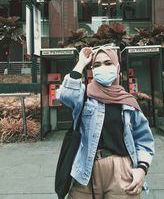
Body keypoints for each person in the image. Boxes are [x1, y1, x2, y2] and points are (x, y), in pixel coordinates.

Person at [56, 46, 155, 199]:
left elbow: (144, 140)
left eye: (108, 63)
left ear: (117, 69)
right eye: (97, 65)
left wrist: (142, 169)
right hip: (85, 169)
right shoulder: (85, 95)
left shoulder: (128, 102)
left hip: (121, 170)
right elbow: (65, 94)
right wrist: (82, 63)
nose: (102, 68)